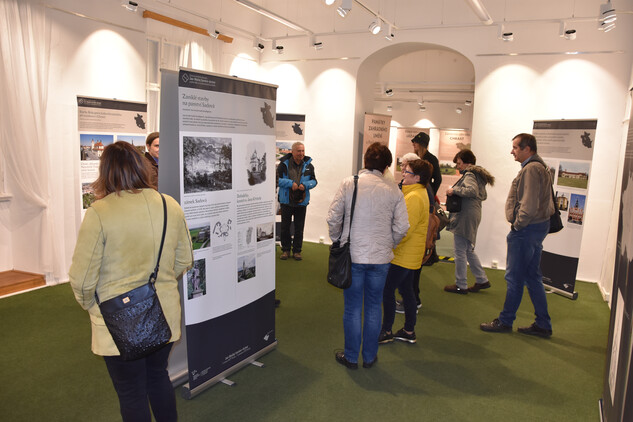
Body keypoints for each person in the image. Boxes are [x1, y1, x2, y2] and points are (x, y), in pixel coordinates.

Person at [69, 141, 193, 421]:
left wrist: (92, 306)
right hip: (163, 314)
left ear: (106, 172)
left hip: (118, 320)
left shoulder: (99, 212)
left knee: (131, 392)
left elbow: (82, 278)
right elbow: (185, 260)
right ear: (142, 166)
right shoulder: (168, 205)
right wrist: (159, 285)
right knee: (158, 378)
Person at [327, 142, 409, 369]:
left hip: (352, 255)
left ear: (365, 162)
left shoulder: (349, 183)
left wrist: (337, 240)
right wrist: (389, 243)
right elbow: (403, 227)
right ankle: (370, 357)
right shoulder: (394, 190)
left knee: (352, 308)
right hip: (380, 259)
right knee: (374, 306)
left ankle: (352, 357)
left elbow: (333, 218)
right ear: (386, 167)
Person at [480, 133, 555, 338]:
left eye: (515, 147)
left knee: (514, 278)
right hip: (537, 228)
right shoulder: (540, 167)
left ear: (527, 149)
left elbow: (528, 205)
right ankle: (543, 324)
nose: (511, 151)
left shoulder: (531, 169)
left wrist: (517, 225)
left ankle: (505, 321)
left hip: (526, 230)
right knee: (532, 277)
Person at [379, 159, 432, 345]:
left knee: (387, 290)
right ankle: (409, 330)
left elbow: (405, 230)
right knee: (406, 290)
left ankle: (386, 330)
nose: (403, 174)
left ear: (417, 177)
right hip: (410, 254)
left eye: (407, 172)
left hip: (403, 255)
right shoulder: (417, 193)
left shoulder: (414, 197)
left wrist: (390, 245)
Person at [444, 149, 495, 294]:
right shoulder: (477, 175)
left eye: (459, 163)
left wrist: (453, 191)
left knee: (460, 251)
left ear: (467, 162)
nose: (457, 166)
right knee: (468, 249)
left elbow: (471, 191)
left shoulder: (470, 174)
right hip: (473, 213)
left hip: (465, 216)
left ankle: (461, 284)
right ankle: (481, 279)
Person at [277, 142, 317, 261]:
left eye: (303, 151)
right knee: (285, 227)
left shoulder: (310, 166)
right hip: (286, 201)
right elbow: (277, 180)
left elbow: (314, 181)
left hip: (301, 202)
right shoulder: (283, 165)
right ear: (292, 152)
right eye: (299, 151)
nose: (301, 153)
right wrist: (290, 184)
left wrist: (306, 185)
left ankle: (297, 251)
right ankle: (285, 250)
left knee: (299, 227)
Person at [411, 131, 442, 265]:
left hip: (427, 194)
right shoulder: (416, 158)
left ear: (421, 144)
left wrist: (430, 191)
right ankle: (430, 254)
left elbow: (438, 179)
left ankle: (430, 253)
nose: (414, 145)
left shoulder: (431, 158)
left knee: (429, 223)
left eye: (416, 143)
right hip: (418, 193)